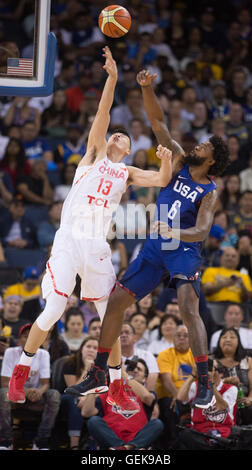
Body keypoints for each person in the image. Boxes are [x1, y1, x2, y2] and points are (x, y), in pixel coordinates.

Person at [8, 48, 172, 415]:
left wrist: (166, 160)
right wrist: (112, 78)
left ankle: (114, 384)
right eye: (114, 134)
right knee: (52, 310)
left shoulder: (127, 173)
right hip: (69, 238)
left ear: (129, 149)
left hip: (97, 244)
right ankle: (22, 369)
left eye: (122, 138)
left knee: (110, 314)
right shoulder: (94, 154)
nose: (115, 136)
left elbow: (162, 179)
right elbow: (103, 113)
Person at [70, 67, 230, 410]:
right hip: (155, 249)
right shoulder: (181, 160)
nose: (196, 144)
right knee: (115, 303)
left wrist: (175, 231)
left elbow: (202, 230)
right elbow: (159, 124)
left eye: (204, 145)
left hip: (183, 250)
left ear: (212, 159)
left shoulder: (209, 191)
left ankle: (203, 381)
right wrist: (146, 89)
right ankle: (100, 369)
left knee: (189, 307)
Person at [0, 323, 61, 450]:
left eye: (32, 336)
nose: (28, 339)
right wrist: (25, 391)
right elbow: (5, 383)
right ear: (19, 339)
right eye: (25, 336)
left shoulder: (43, 354)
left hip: (36, 397)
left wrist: (39, 391)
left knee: (54, 395)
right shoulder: (10, 352)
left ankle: (41, 440)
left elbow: (46, 384)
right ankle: (6, 439)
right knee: (2, 393)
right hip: (14, 396)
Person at [80, 359, 163, 450]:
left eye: (139, 369)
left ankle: (126, 447)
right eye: (132, 368)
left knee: (157, 424)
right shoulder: (108, 391)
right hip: (111, 437)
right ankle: (125, 447)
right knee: (93, 420)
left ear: (145, 378)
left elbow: (147, 397)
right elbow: (86, 412)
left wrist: (123, 374)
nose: (135, 371)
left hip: (137, 437)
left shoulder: (147, 393)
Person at [177, 358, 238, 449]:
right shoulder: (196, 385)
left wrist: (210, 384)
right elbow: (180, 398)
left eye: (210, 368)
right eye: (204, 368)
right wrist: (192, 375)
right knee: (186, 435)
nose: (206, 371)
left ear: (220, 373)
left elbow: (222, 407)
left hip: (224, 431)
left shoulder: (231, 389)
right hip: (199, 432)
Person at [156, 324, 195, 447]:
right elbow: (166, 379)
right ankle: (174, 443)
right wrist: (177, 397)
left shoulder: (195, 355)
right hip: (170, 395)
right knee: (172, 405)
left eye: (186, 336)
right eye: (178, 335)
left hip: (192, 396)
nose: (182, 338)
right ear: (173, 338)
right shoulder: (165, 354)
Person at [60, 336, 99, 449]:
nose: (91, 350)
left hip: (88, 399)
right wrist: (87, 370)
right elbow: (74, 391)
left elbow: (101, 390)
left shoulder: (102, 367)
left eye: (95, 348)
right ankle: (74, 445)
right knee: (74, 401)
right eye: (88, 346)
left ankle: (96, 443)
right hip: (67, 397)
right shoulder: (70, 363)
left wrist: (86, 399)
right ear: (81, 349)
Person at [213, 327, 252, 425]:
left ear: (238, 341)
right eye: (224, 337)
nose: (228, 339)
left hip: (245, 403)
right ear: (219, 342)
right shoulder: (213, 362)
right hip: (221, 401)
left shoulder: (248, 361)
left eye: (232, 337)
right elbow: (209, 385)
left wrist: (250, 399)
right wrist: (225, 381)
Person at [120, 321, 159, 391]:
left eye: (127, 332)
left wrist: (146, 399)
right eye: (120, 333)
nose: (124, 335)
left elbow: (152, 379)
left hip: (142, 396)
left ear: (135, 337)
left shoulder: (147, 355)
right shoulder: (110, 358)